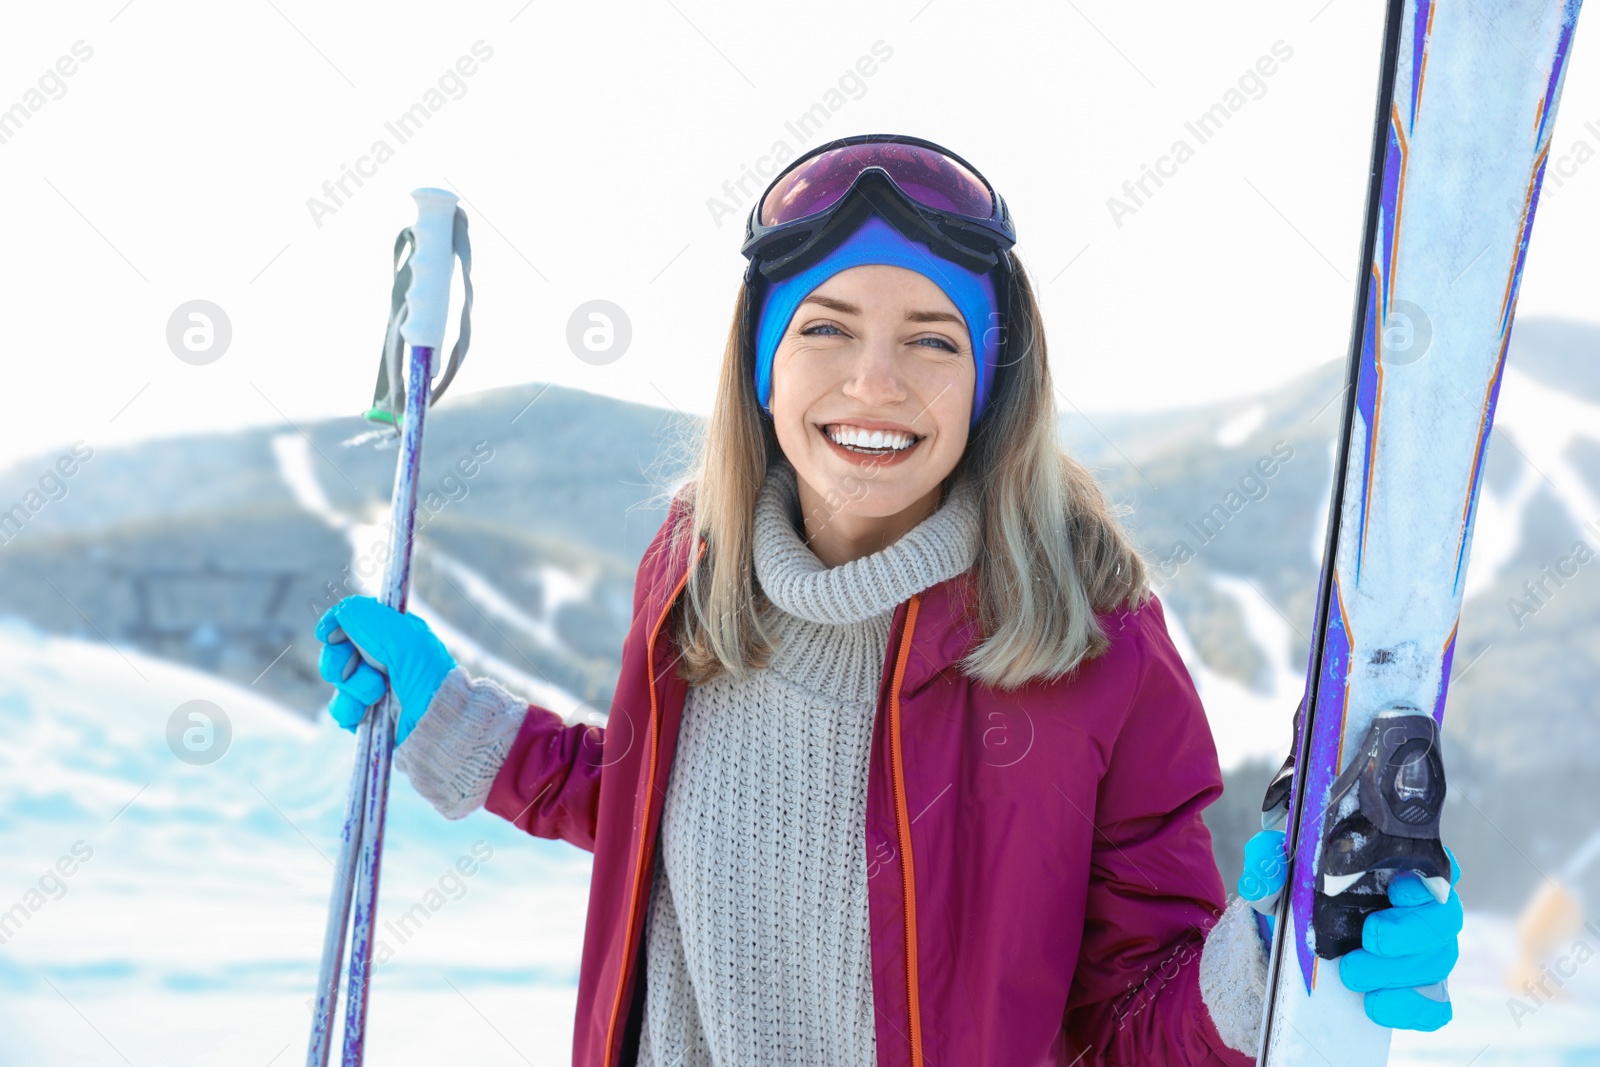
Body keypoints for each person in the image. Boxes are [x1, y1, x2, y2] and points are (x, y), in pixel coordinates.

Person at [314, 135, 1462, 1066]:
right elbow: (667, 807)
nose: (876, 381)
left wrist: (1268, 963)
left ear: (989, 385)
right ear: (762, 368)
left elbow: (1126, 1028)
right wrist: (451, 714)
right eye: (825, 328)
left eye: (932, 339)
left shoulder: (1092, 645)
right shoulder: (692, 568)